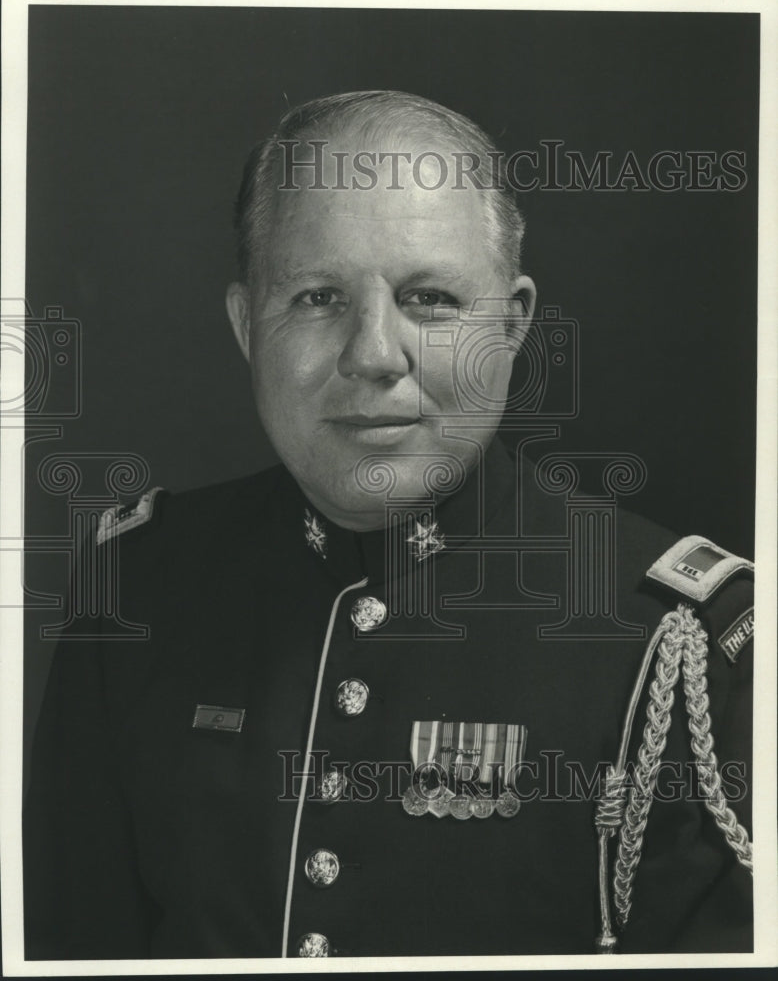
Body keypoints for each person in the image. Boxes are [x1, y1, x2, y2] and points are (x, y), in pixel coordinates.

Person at [24, 91, 754, 960]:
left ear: (512, 325)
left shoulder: (675, 637)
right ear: (244, 325)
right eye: (318, 295)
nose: (374, 353)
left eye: (431, 298)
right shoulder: (138, 588)